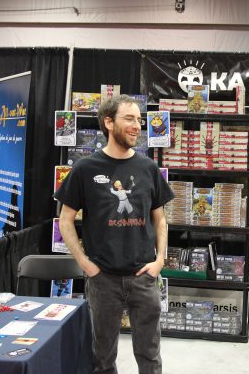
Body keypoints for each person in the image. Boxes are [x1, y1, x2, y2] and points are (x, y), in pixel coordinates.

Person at [55, 94, 174, 374]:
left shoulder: (148, 168)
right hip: (103, 279)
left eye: (139, 120)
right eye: (129, 118)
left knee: (150, 355)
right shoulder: (85, 168)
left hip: (144, 277)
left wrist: (159, 261)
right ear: (108, 122)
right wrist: (85, 264)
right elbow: (65, 220)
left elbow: (160, 220)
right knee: (103, 358)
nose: (137, 126)